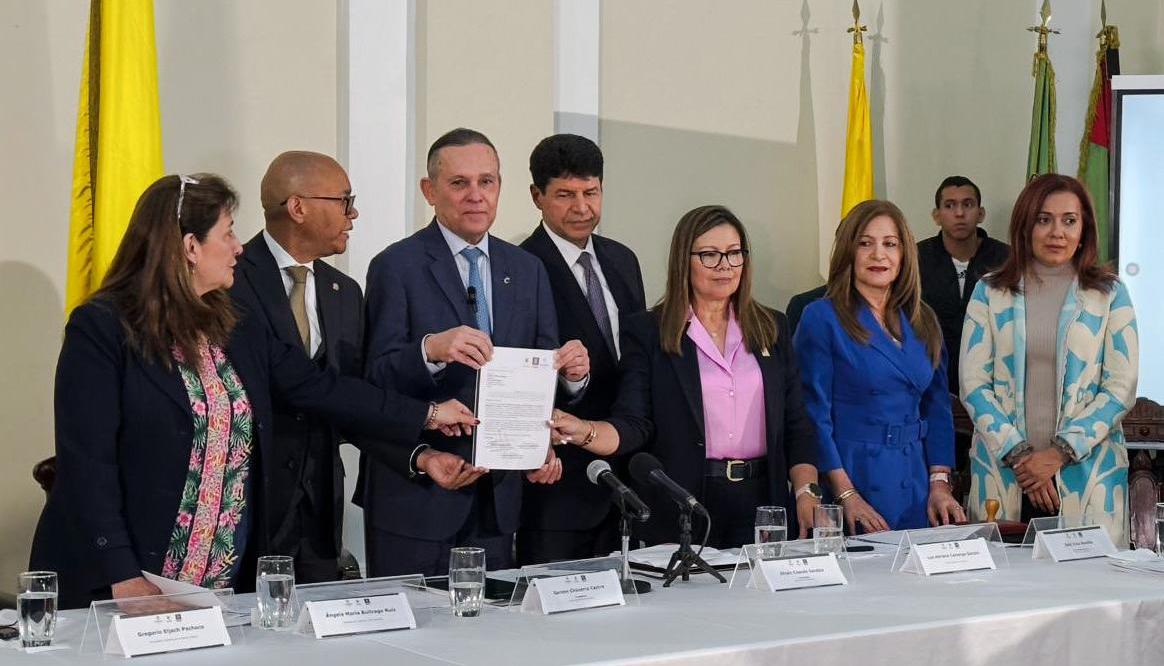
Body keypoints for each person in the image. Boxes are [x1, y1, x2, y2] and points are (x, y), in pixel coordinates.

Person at [29, 174, 476, 609]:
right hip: (125, 581)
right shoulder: (102, 329)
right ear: (190, 246)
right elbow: (88, 464)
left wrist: (428, 414)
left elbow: (320, 388)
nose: (240, 247)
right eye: (227, 234)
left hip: (219, 587)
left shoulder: (235, 325)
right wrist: (122, 576)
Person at [362, 128, 586, 576]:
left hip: (498, 500)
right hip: (417, 496)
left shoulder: (527, 269)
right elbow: (374, 379)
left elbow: (540, 371)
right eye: (459, 183)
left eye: (487, 181)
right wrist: (431, 350)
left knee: (491, 639)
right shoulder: (396, 266)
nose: (475, 196)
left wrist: (570, 378)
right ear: (430, 191)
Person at [551, 205, 820, 548]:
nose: (724, 265)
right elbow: (633, 424)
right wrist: (584, 431)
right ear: (684, 260)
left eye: (734, 253)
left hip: (762, 503)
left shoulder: (772, 327)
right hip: (685, 505)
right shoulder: (650, 332)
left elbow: (796, 424)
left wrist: (805, 492)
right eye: (709, 255)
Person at [960, 174, 1137, 546]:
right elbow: (973, 384)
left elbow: (1120, 389)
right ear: (1025, 226)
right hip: (1005, 474)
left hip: (1086, 475)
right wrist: (1025, 459)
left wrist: (1057, 455)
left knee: (1085, 595)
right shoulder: (989, 291)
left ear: (1084, 227)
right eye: (1044, 219)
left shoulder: (1109, 294)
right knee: (1001, 594)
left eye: (1069, 220)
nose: (1057, 231)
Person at [795, 199, 964, 533]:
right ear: (848, 251)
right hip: (852, 480)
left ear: (904, 254)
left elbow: (937, 408)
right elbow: (814, 415)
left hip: (914, 481)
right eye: (865, 244)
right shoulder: (821, 317)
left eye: (890, 244)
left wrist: (940, 483)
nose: (878, 255)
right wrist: (846, 494)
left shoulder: (923, 319)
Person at [517, 134, 646, 564]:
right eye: (565, 195)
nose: (581, 207)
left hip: (625, 477)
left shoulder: (622, 259)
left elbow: (636, 359)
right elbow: (517, 373)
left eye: (591, 192)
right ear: (537, 196)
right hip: (556, 483)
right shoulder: (518, 268)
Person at [917, 176, 1009, 393]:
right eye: (950, 206)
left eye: (967, 204)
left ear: (981, 213)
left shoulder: (1007, 260)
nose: (959, 213)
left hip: (993, 383)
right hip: (931, 382)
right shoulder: (915, 259)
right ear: (936, 215)